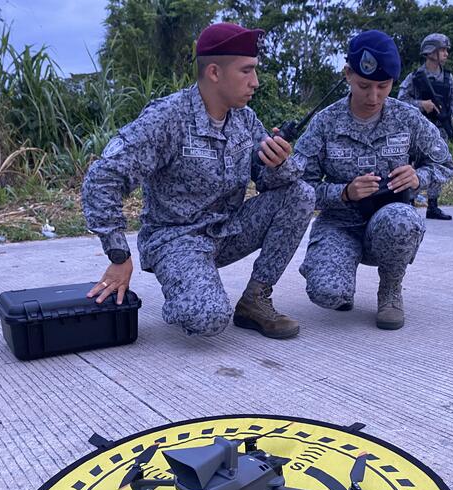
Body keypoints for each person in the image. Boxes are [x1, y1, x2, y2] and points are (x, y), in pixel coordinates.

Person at [81, 23, 315, 339]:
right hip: (176, 239)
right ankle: (189, 283)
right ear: (214, 73)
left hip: (228, 230)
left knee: (300, 193)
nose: (255, 82)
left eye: (255, 71)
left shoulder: (244, 119)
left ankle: (255, 300)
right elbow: (102, 178)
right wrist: (118, 254)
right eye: (246, 71)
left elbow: (274, 182)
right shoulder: (168, 118)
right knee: (209, 319)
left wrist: (279, 163)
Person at [293, 30, 453, 330]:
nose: (374, 96)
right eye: (364, 85)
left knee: (402, 221)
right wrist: (344, 193)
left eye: (384, 86)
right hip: (340, 223)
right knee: (328, 294)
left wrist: (417, 177)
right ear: (347, 75)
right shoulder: (326, 123)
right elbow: (301, 187)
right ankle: (338, 274)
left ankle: (390, 289)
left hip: (389, 218)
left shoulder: (406, 118)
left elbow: (445, 164)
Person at [397, 33, 453, 220]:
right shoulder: (415, 77)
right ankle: (410, 203)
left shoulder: (448, 78)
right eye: (442, 50)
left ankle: (433, 205)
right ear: (431, 51)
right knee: (413, 165)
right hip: (418, 130)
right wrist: (422, 104)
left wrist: (450, 120)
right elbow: (401, 101)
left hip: (439, 128)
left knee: (438, 164)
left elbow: (452, 102)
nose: (446, 53)